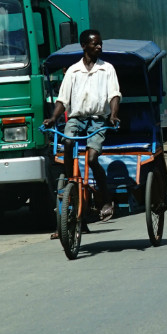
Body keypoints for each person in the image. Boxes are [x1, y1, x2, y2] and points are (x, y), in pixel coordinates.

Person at [49, 29, 121, 222]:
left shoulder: (107, 69)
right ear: (84, 46)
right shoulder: (73, 71)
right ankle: (69, 181)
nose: (99, 46)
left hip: (98, 119)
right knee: (68, 142)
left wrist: (113, 115)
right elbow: (62, 100)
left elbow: (114, 95)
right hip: (76, 118)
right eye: (94, 44)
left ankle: (105, 200)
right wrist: (53, 118)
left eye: (100, 43)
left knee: (91, 158)